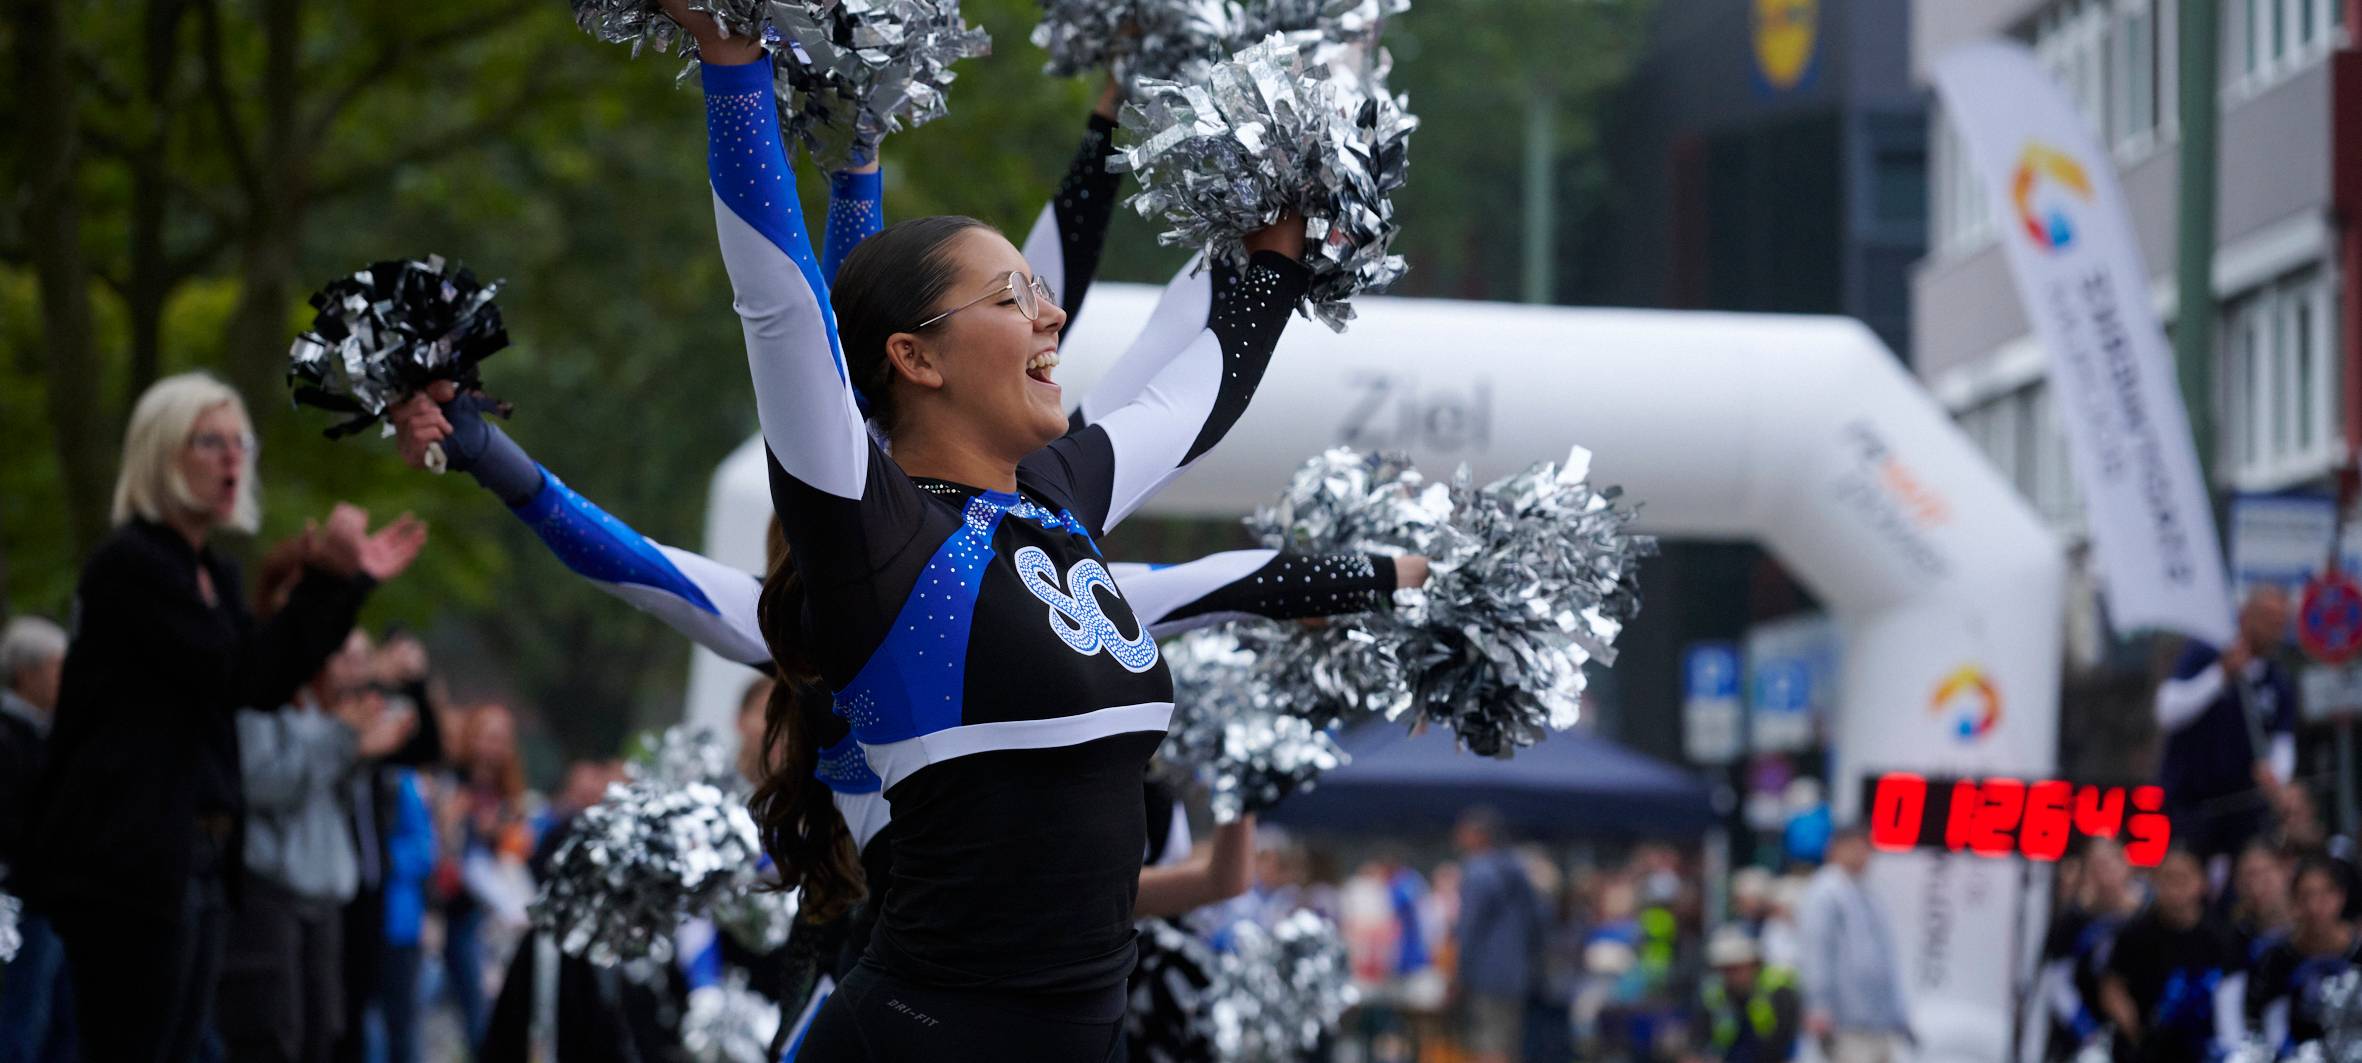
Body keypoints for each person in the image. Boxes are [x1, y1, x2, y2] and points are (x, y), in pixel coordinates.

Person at [660, 5, 1312, 1054]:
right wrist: (732, 64)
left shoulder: (1056, 494)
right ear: (914, 358)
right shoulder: (877, 532)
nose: (1051, 317)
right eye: (1016, 297)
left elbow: (1203, 395)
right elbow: (782, 304)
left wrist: (1283, 249)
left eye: (1043, 295)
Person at [22, 371, 425, 1061]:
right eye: (211, 441)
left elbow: (264, 678)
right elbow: (239, 672)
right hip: (129, 868)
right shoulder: (133, 565)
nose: (233, 457)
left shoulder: (211, 572)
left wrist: (347, 583)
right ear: (161, 453)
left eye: (240, 442)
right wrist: (327, 581)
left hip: (198, 860)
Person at [216, 614, 416, 1063]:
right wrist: (344, 741)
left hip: (326, 897)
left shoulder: (331, 719)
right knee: (273, 1033)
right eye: (346, 658)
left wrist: (360, 750)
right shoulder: (264, 707)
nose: (356, 671)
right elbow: (262, 785)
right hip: (274, 892)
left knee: (322, 1030)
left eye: (363, 659)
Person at [2156, 587, 2298, 864]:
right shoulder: (2204, 652)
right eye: (2268, 618)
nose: (2274, 629)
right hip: (2190, 802)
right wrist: (2220, 674)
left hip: (2244, 807)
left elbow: (2282, 742)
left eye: (2281, 622)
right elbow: (2168, 711)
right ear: (2246, 615)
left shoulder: (2278, 680)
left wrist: (2276, 776)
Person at [436, 701, 538, 1050]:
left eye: (501, 739)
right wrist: (458, 822)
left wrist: (501, 834)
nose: (493, 747)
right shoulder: (451, 782)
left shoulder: (509, 797)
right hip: (451, 911)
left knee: (490, 1017)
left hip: (494, 922)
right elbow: (444, 848)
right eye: (487, 736)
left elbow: (517, 853)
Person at [0, 616, 71, 1063]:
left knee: (55, 1019)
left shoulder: (46, 734)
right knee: (21, 1017)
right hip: (21, 899)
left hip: (50, 898)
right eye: (55, 667)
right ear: (26, 673)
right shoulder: (9, 737)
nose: (63, 679)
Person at [2099, 843, 2242, 1063]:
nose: (2175, 888)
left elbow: (2231, 997)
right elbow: (2112, 986)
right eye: (2167, 878)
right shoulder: (2134, 933)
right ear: (2154, 882)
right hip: (2143, 1050)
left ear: (2201, 882)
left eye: (2183, 878)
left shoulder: (2220, 937)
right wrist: (2132, 1027)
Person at [1798, 825, 1913, 1063]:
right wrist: (1819, 1006)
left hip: (1878, 1023)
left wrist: (1898, 1014)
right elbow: (1816, 951)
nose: (1863, 854)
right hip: (1845, 1023)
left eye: (1866, 848)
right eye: (1856, 847)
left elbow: (1885, 959)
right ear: (1835, 849)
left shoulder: (1868, 892)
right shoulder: (1825, 891)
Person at [1451, 807, 1545, 1063]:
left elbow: (1469, 928)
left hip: (1486, 973)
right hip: (1517, 972)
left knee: (1489, 1044)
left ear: (1480, 836)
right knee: (1509, 1044)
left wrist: (1459, 973)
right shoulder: (1517, 869)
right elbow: (1537, 922)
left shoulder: (1479, 871)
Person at [2039, 836, 2145, 1060]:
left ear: (2126, 864)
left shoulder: (2146, 914)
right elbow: (2057, 982)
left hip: (2138, 1024)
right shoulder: (2073, 919)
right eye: (2096, 865)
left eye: (2110, 863)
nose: (2104, 873)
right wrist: (2087, 1031)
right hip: (2086, 1031)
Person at [2244, 855, 2359, 1053]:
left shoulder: (2358, 950)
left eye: (2325, 894)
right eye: (2306, 895)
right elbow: (2261, 1023)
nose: (2315, 907)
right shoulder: (2276, 958)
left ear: (2341, 896)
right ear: (2294, 902)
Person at [1686, 927, 1801, 1063]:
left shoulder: (1778, 991)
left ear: (1753, 964)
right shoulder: (1714, 995)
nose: (1729, 976)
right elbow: (1700, 1036)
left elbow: (1784, 1040)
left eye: (1735, 968)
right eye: (1724, 970)